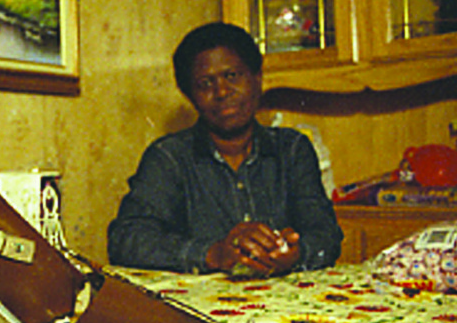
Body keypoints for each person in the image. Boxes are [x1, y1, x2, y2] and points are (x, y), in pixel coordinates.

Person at [107, 22, 343, 277]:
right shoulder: (169, 157)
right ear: (190, 95)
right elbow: (126, 241)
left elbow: (326, 234)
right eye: (205, 83)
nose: (221, 91)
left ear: (257, 79)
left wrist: (297, 252)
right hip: (201, 301)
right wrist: (212, 254)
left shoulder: (292, 149)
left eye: (232, 76)